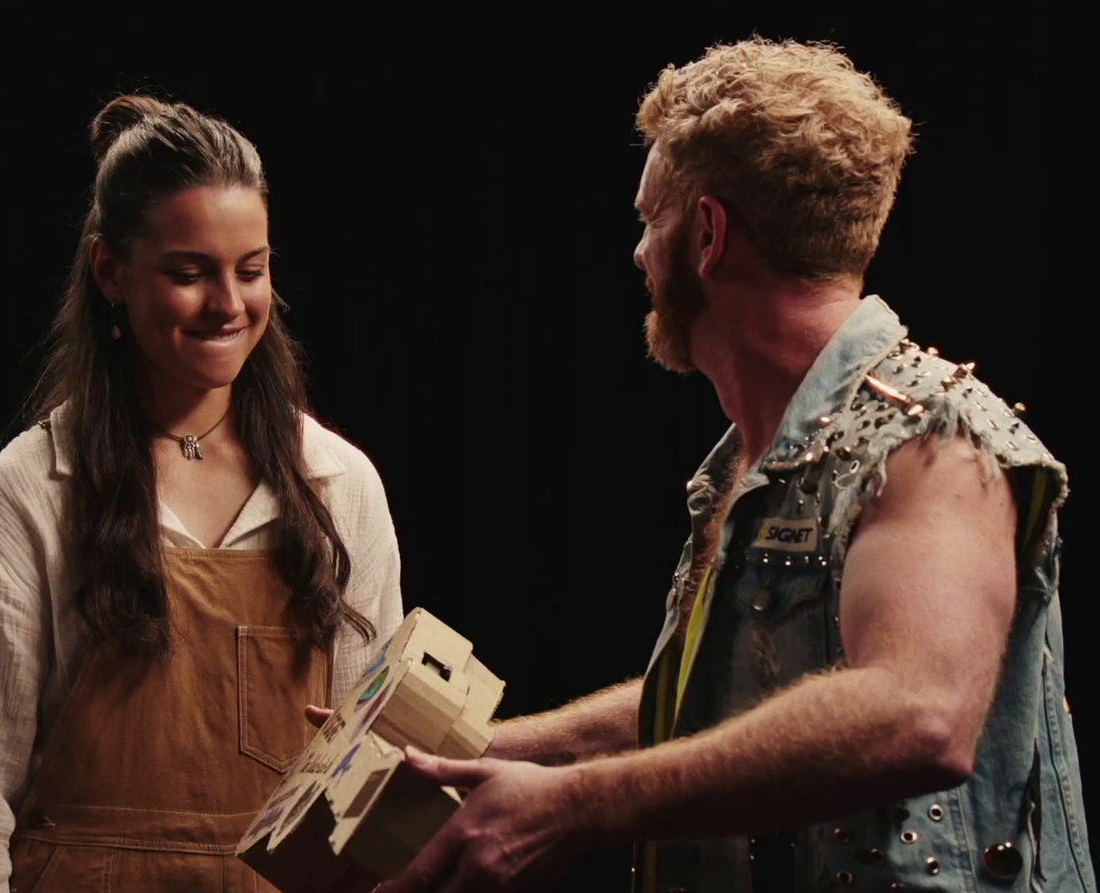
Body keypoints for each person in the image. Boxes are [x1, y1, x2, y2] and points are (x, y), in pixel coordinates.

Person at [370, 38, 1092, 893]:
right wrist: (479, 755)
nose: (639, 254)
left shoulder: (934, 438)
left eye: (651, 219)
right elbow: (729, 704)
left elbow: (917, 713)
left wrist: (572, 805)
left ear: (708, 234)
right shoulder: (752, 457)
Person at [0, 94, 404, 893]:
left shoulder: (338, 488)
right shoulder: (36, 486)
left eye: (251, 270)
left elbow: (361, 798)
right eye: (188, 273)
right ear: (111, 269)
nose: (228, 305)